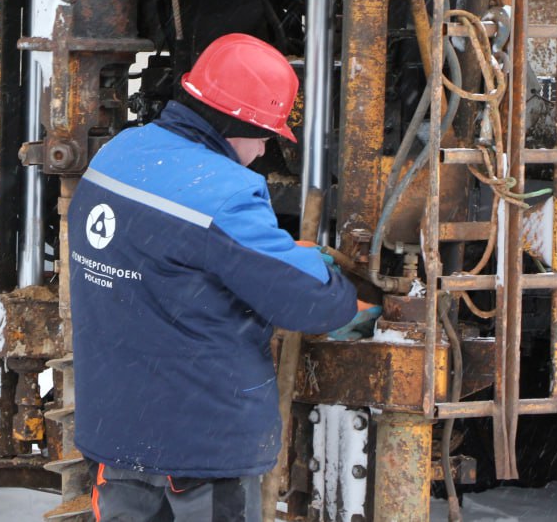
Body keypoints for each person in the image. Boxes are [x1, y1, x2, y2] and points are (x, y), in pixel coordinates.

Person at [68, 33, 370, 521]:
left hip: (117, 437)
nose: (263, 149)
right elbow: (311, 301)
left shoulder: (118, 155)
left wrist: (260, 256)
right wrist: (337, 291)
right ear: (240, 123)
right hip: (200, 447)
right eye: (266, 136)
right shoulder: (223, 193)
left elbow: (168, 254)